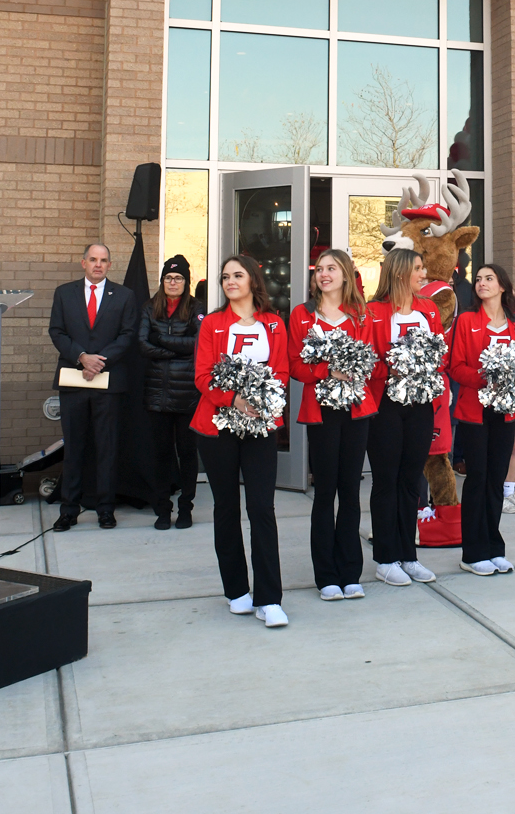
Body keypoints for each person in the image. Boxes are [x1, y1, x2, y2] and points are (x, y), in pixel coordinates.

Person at [193, 255, 291, 628]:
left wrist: (261, 402)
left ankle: (270, 598)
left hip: (261, 426)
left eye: (237, 275)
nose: (230, 281)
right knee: (226, 509)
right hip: (217, 427)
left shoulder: (274, 324)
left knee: (262, 509)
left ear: (253, 280)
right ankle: (236, 591)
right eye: (224, 277)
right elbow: (202, 376)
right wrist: (233, 399)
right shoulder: (213, 324)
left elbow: (280, 371)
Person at [448, 264, 515, 574]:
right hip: (475, 411)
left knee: (495, 479)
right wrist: (486, 378)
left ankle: (494, 548)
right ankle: (472, 554)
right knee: (477, 479)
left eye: (488, 279)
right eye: (478, 279)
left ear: (503, 286)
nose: (481, 283)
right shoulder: (466, 321)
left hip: (506, 411)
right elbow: (456, 367)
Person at [289, 248, 374, 602]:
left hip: (356, 410)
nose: (324, 274)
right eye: (320, 269)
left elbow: (370, 358)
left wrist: (354, 369)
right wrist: (327, 371)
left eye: (332, 268)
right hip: (321, 412)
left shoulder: (360, 315)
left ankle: (350, 572)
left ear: (345, 274)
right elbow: (295, 365)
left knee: (351, 491)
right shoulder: (302, 315)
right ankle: (325, 575)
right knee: (325, 493)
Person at [365, 248, 445, 587]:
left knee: (411, 479)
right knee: (386, 479)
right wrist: (396, 366)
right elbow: (368, 361)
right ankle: (385, 558)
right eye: (417, 268)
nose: (423, 274)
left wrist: (428, 370)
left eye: (423, 268)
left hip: (421, 403)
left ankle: (407, 555)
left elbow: (440, 352)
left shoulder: (427, 308)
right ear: (399, 273)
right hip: (386, 403)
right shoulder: (373, 311)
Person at [48, 243, 138, 531]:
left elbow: (128, 335)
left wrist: (100, 361)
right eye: (93, 260)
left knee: (106, 447)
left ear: (110, 265)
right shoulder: (64, 293)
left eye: (104, 260)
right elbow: (57, 331)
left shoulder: (124, 296)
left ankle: (105, 509)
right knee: (74, 448)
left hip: (107, 382)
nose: (98, 265)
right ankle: (69, 510)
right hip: (73, 382)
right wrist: (82, 357)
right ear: (83, 262)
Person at [139, 255, 203, 531]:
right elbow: (142, 343)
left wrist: (162, 341)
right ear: (162, 280)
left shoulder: (197, 309)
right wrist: (177, 349)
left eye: (178, 278)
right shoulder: (149, 308)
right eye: (168, 278)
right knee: (160, 455)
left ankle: (186, 508)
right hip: (157, 394)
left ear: (186, 282)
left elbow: (198, 344)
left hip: (187, 394)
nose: (173, 282)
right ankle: (162, 509)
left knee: (188, 454)